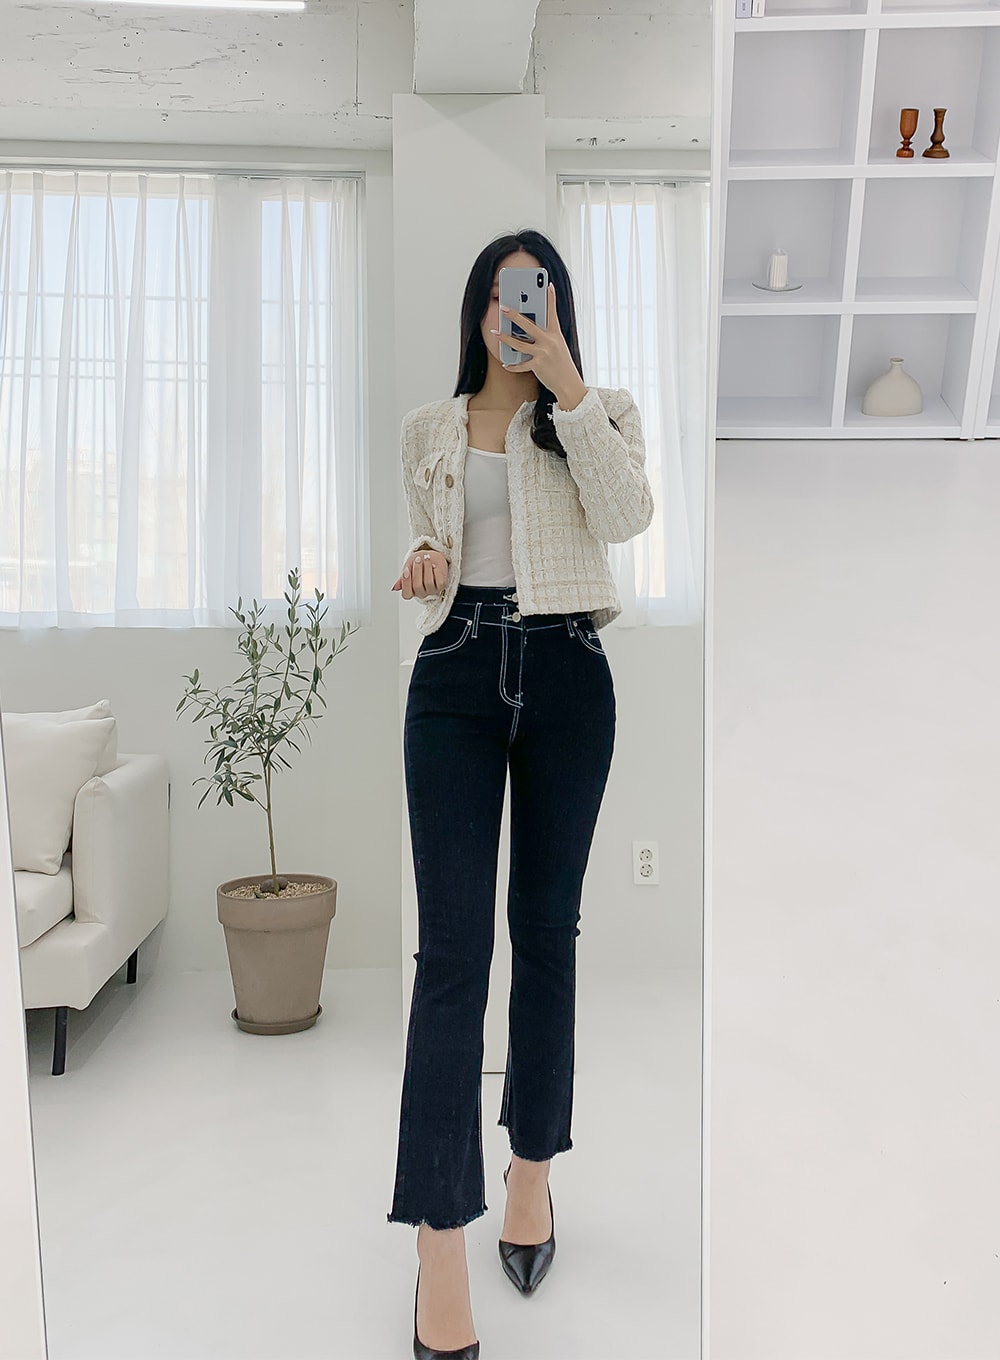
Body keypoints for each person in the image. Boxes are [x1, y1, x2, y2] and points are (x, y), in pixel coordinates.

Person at [387, 228, 654, 1359]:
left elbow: (627, 517)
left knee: (546, 936)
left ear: (556, 307)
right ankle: (438, 1239)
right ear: (478, 309)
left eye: (534, 295)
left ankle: (531, 1171)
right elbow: (431, 540)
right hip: (454, 673)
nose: (517, 313)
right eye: (502, 297)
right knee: (453, 955)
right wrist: (425, 560)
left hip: (568, 676)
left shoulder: (599, 411)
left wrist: (568, 389)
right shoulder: (429, 428)